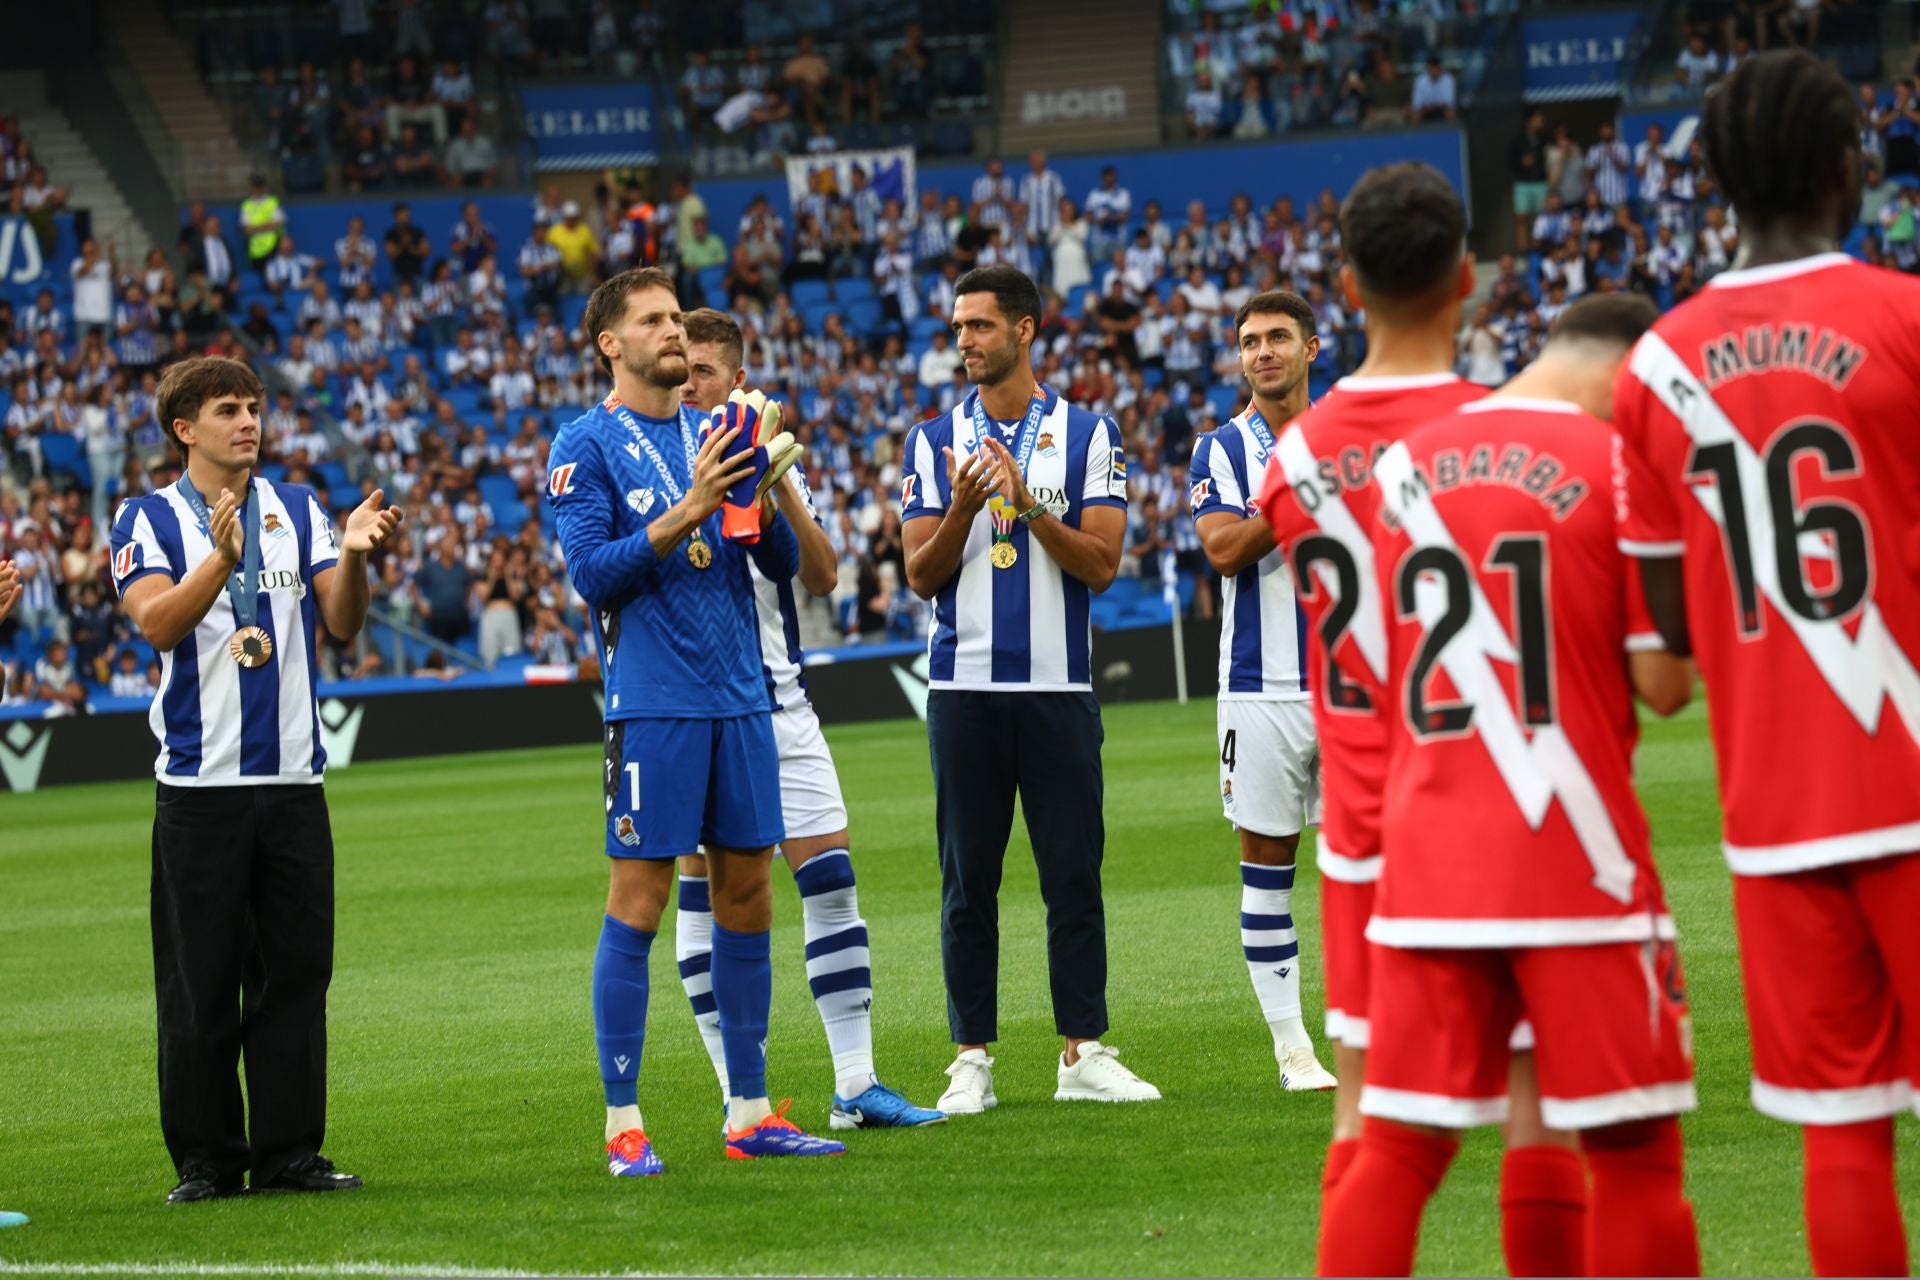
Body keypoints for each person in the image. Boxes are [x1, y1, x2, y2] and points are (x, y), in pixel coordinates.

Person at [1318, 292, 1701, 1278]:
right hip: (1579, 860)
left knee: (1396, 1150)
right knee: (1635, 1158)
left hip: (1430, 859)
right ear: (1626, 377)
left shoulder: (1403, 467)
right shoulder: (1612, 462)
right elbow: (1664, 685)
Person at [1613, 50, 1920, 1277]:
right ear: (1855, 166)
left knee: (1844, 1137)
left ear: (1716, 186)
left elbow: (1665, 672)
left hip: (1781, 823)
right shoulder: (1906, 320)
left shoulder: (1654, 369)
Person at [1259, 163, 1589, 1278]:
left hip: (1360, 829)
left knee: (1368, 1112)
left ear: (1345, 286)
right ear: (1469, 279)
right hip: (1490, 804)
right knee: (1541, 1095)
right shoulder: (1504, 437)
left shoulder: (1292, 457)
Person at [546, 267, 843, 1175]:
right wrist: (694, 505)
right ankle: (624, 1123)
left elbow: (781, 560)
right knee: (638, 904)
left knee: (748, 895)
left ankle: (749, 1110)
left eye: (677, 318)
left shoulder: (721, 431)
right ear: (611, 344)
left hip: (741, 699)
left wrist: (766, 486)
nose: (673, 332)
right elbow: (594, 574)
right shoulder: (585, 443)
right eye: (653, 320)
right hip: (655, 707)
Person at [109, 356, 404, 1204]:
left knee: (296, 977)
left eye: (254, 408)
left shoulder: (299, 507)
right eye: (228, 410)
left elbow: (341, 623)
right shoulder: (147, 519)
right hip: (200, 793)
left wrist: (350, 557)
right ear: (184, 429)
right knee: (199, 982)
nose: (249, 422)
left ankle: (288, 1154)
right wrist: (218, 561)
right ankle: (205, 1162)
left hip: (292, 785)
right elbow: (160, 625)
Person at [670, 309, 944, 1129]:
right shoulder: (653, 458)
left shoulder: (773, 459)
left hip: (781, 702)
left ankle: (855, 1086)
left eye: (707, 372)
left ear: (740, 380)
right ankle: (737, 1097)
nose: (690, 385)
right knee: (703, 892)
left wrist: (780, 476)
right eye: (682, 369)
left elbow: (822, 575)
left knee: (830, 881)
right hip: (691, 710)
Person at [899, 265, 1159, 1111]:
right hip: (964, 691)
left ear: (1025, 330)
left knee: (1072, 874)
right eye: (958, 327)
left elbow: (1105, 565)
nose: (964, 341)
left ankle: (1082, 1051)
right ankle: (970, 1059)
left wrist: (1030, 507)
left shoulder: (1090, 434)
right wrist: (966, 510)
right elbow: (919, 575)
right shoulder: (931, 439)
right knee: (968, 879)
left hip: (1057, 686)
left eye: (978, 325)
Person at [1186, 289, 1336, 1093]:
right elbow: (1225, 550)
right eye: (1250, 341)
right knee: (1267, 869)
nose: (1263, 352)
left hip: (1354, 686)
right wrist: (1306, 484)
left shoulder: (1358, 436)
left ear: (1312, 347)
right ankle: (1293, 1052)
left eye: (1279, 337)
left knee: (1371, 870)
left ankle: (1377, 1030)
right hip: (1259, 690)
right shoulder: (1217, 450)